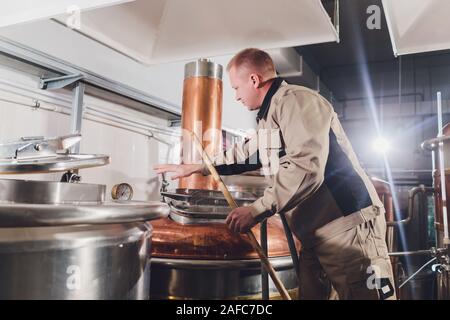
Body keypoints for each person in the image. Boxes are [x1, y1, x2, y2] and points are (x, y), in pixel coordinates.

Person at [154, 48, 396, 300]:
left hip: (347, 229)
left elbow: (306, 166)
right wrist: (198, 166)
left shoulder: (297, 101)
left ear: (254, 80)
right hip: (315, 234)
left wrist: (256, 210)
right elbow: (247, 153)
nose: (236, 96)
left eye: (236, 88)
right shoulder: (269, 117)